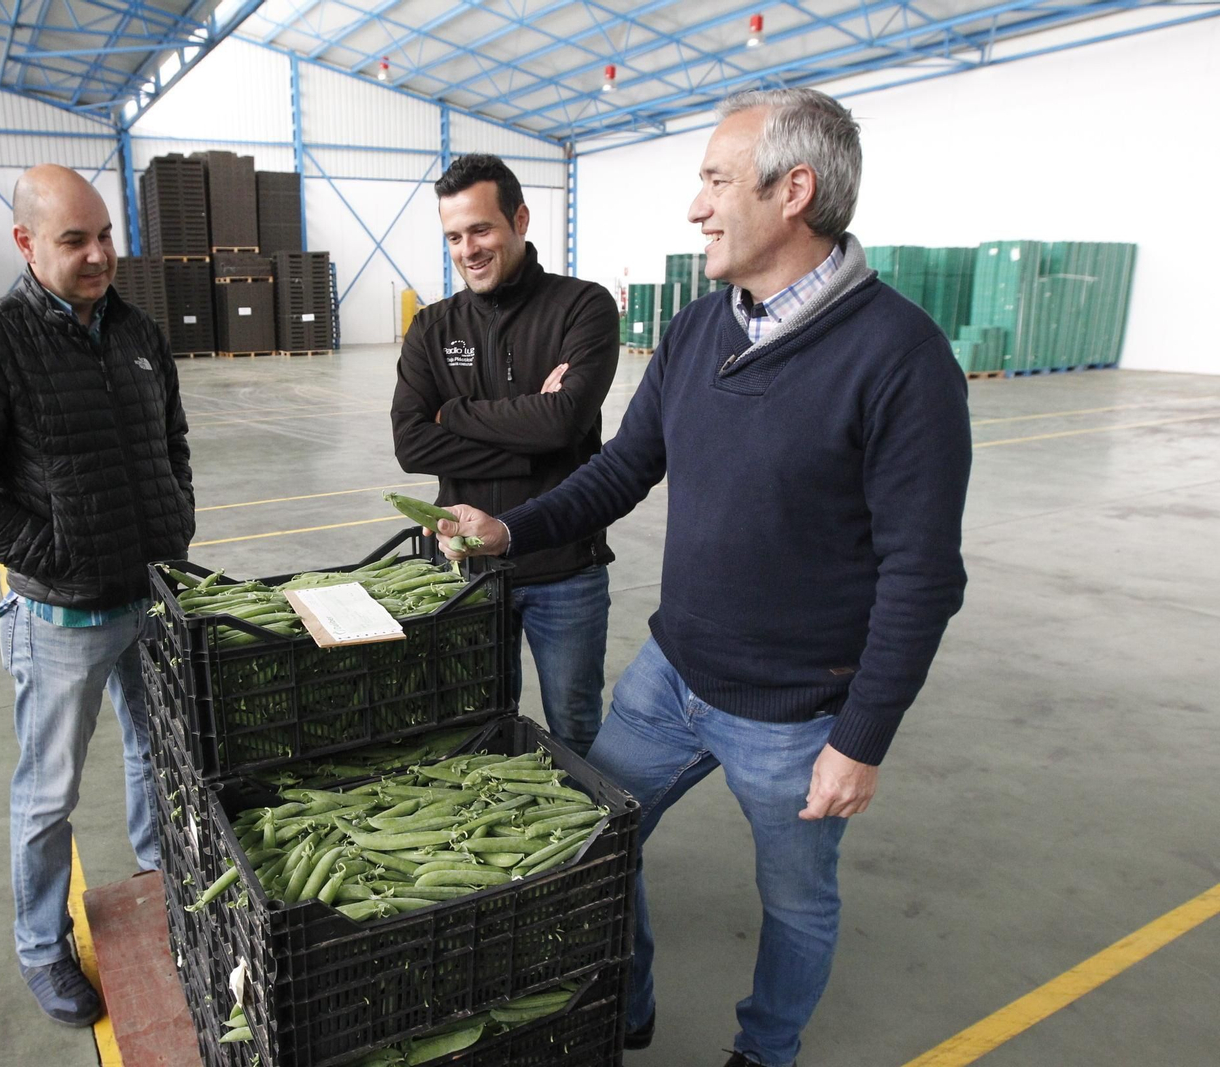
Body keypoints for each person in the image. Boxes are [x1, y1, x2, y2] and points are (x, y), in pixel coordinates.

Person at [435, 90, 971, 1067]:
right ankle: (628, 1001)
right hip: (669, 676)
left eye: (716, 181)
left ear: (793, 191)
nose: (696, 207)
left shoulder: (899, 357)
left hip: (797, 713)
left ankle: (765, 1050)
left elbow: (922, 575)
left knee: (795, 902)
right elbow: (620, 469)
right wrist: (510, 527)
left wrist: (861, 738)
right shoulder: (695, 330)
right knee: (593, 834)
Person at [0, 164, 195, 1028]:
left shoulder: (138, 332)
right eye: (75, 240)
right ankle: (42, 945)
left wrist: (174, 521)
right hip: (61, 617)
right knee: (48, 792)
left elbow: (172, 440)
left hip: (150, 597)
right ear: (26, 242)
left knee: (159, 758)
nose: (99, 254)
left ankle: (163, 884)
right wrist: (53, 554)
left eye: (105, 235)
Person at [391, 153, 620, 757]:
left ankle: (585, 822)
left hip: (564, 567)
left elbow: (564, 421)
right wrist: (535, 447)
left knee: (575, 725)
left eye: (481, 229)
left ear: (519, 220)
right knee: (478, 726)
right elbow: (411, 442)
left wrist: (454, 413)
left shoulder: (583, 307)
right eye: (454, 236)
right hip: (468, 569)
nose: (468, 249)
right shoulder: (432, 328)